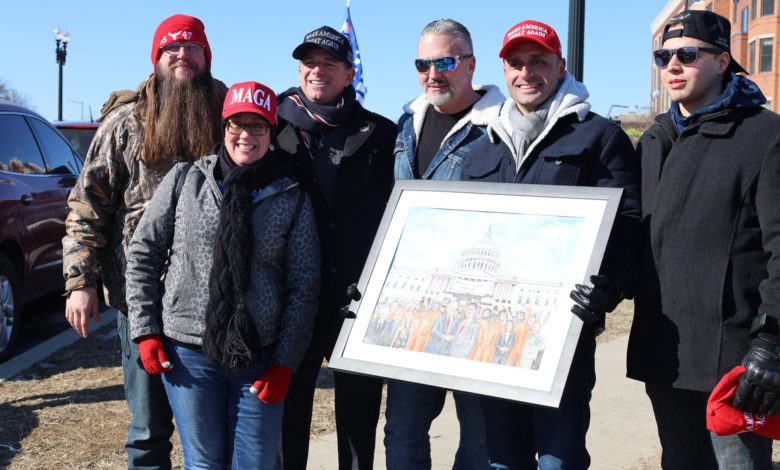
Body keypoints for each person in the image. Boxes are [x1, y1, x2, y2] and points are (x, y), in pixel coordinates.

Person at [462, 19, 640, 468]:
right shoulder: (481, 148)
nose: (526, 73)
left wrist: (610, 287)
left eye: (538, 62)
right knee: (501, 458)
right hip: (491, 341)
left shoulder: (599, 136)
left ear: (561, 66)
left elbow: (629, 223)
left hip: (561, 335)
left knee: (558, 459)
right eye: (516, 63)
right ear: (503, 72)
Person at [125, 81, 319, 469]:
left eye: (257, 126)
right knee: (204, 463)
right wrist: (145, 331)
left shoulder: (291, 195)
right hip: (189, 353)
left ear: (271, 131)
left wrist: (284, 362)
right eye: (237, 124)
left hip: (259, 356)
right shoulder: (185, 180)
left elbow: (303, 286)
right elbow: (143, 253)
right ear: (223, 127)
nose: (246, 135)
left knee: (256, 463)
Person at [61, 14, 226, 469]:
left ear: (206, 55)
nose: (182, 55)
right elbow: (88, 205)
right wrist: (81, 282)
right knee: (149, 429)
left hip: (211, 303)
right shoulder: (126, 122)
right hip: (142, 303)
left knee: (214, 428)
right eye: (171, 48)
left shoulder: (230, 116)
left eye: (192, 47)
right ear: (156, 58)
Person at [626, 10, 780, 469]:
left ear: (722, 60)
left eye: (687, 55)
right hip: (664, 351)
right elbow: (636, 234)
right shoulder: (654, 138)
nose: (672, 66)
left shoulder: (765, 135)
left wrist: (771, 342)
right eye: (664, 56)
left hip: (735, 358)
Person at [274, 25, 396, 470]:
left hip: (357, 302)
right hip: (292, 301)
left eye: (330, 64)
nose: (317, 71)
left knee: (359, 425)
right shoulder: (270, 128)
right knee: (286, 422)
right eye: (309, 62)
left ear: (349, 74)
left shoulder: (382, 134)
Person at [386, 18, 504, 470]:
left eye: (446, 62)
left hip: (469, 310)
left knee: (478, 437)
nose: (433, 73)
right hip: (414, 305)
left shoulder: (500, 127)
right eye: (423, 63)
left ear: (471, 64)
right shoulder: (405, 125)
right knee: (402, 429)